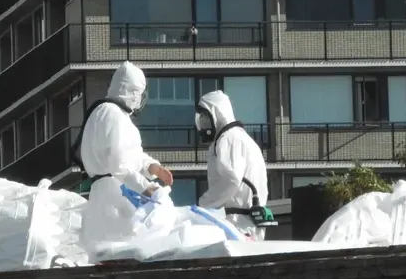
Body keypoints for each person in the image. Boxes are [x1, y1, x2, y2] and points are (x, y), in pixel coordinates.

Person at [73, 61, 173, 250]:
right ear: (133, 91)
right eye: (139, 93)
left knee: (105, 254)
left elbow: (129, 153)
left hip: (104, 196)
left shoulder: (105, 112)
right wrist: (146, 188)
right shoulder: (113, 115)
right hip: (115, 198)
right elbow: (119, 164)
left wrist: (151, 167)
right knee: (123, 252)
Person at [194, 90, 274, 241]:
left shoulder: (228, 139)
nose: (202, 123)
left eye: (205, 116)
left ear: (216, 114)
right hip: (247, 223)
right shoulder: (241, 138)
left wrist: (203, 204)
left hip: (235, 223)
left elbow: (230, 179)